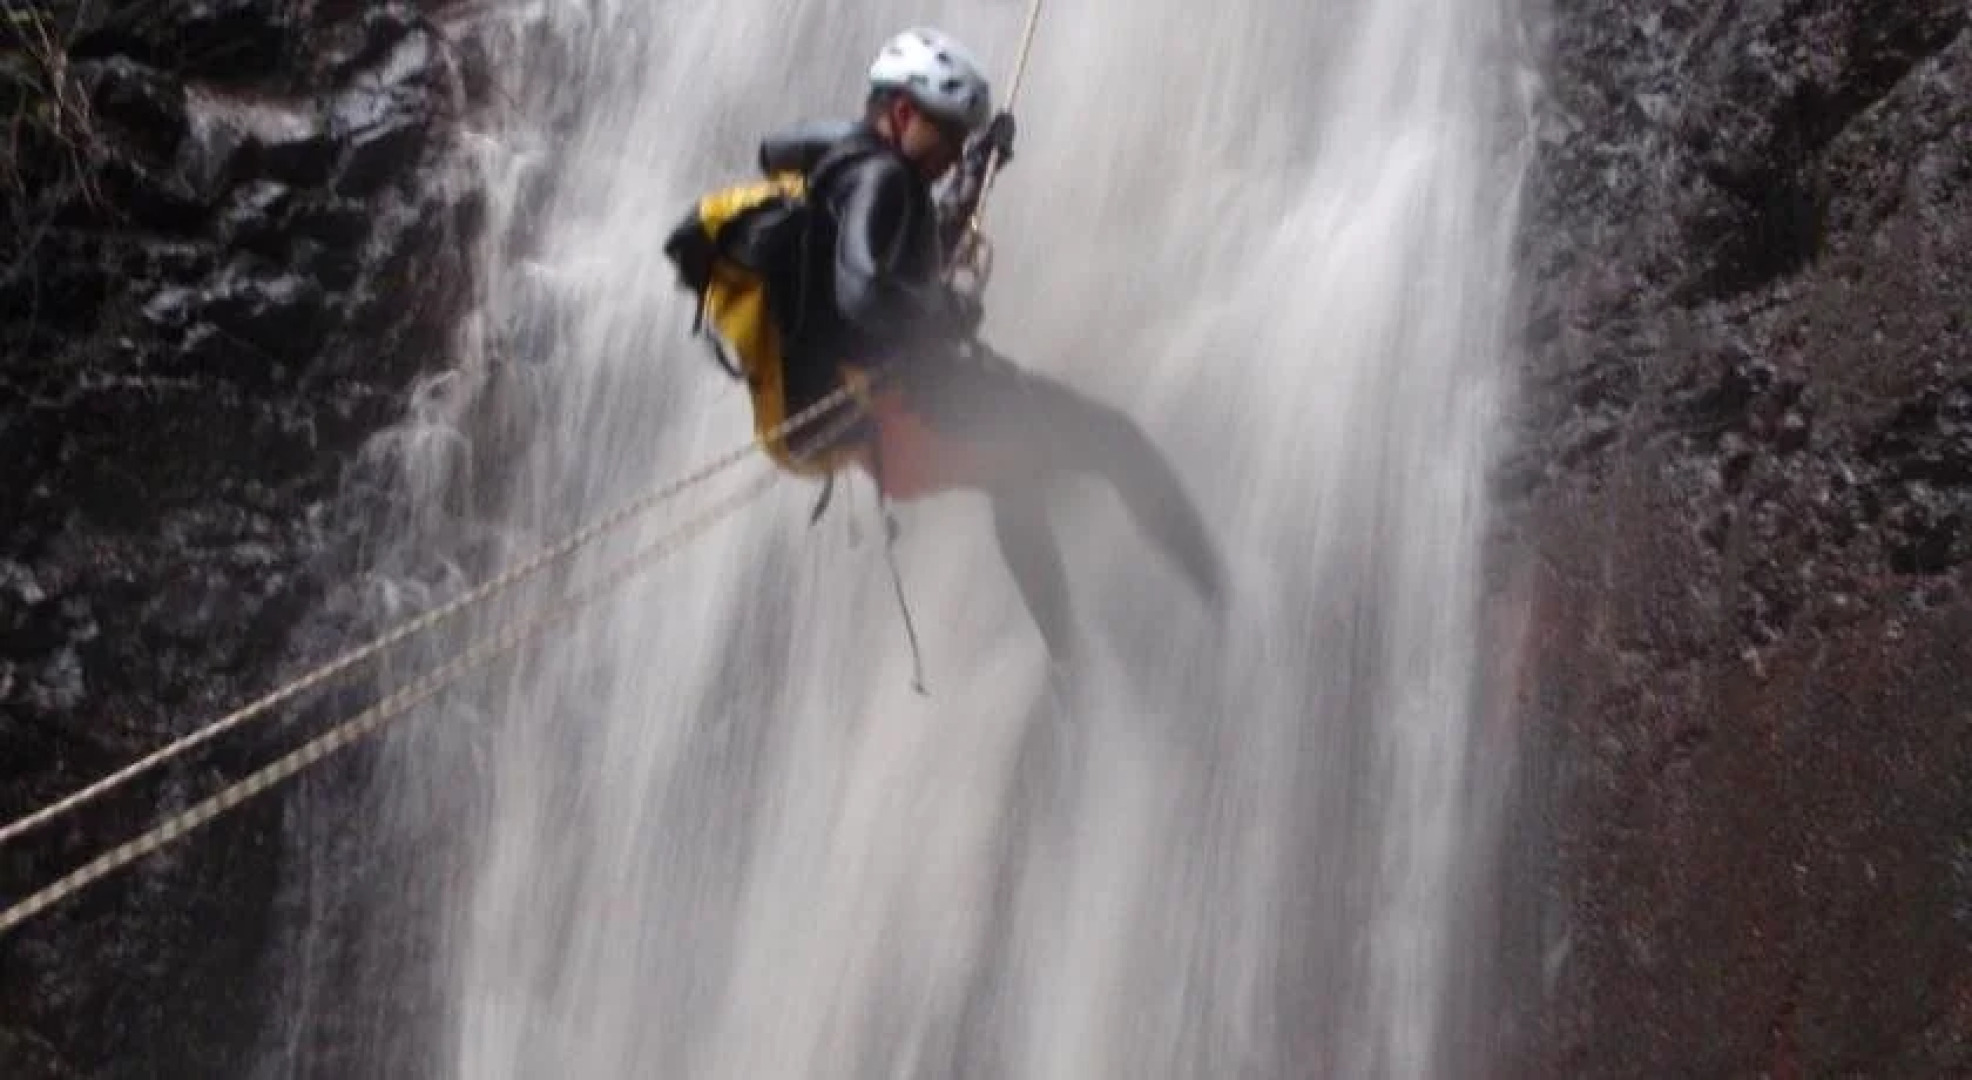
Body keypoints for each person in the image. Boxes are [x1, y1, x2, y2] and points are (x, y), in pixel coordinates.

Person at [679, 27, 1227, 663]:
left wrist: (974, 173)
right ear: (905, 114)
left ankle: (1072, 663)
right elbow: (865, 292)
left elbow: (906, 246)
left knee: (1012, 471)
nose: (953, 150)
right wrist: (943, 312)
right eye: (950, 135)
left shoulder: (841, 169)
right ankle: (1223, 607)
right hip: (901, 404)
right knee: (1115, 441)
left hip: (852, 412)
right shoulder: (883, 176)